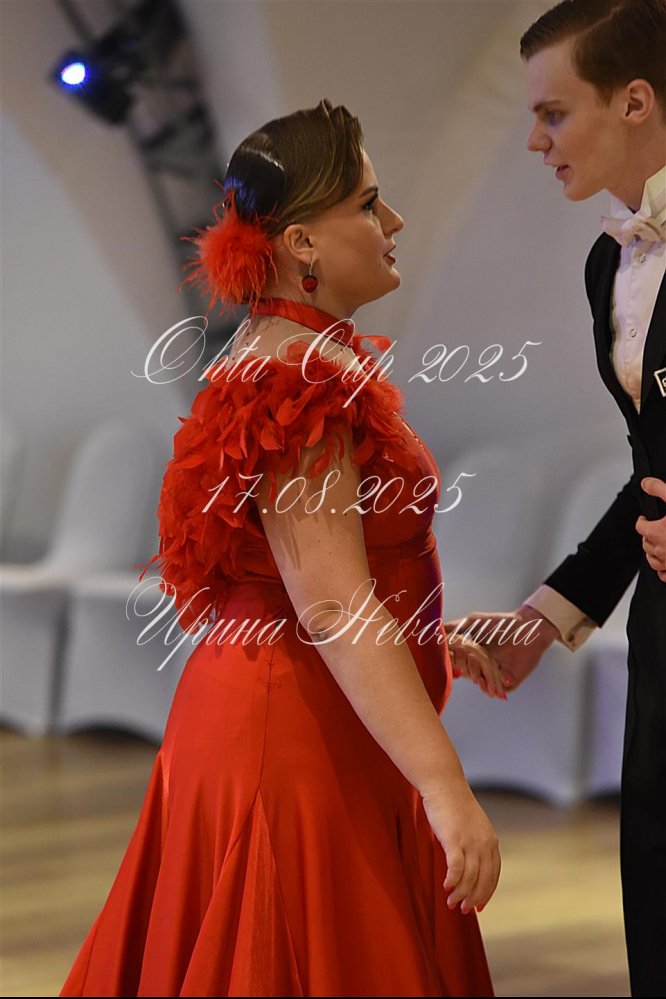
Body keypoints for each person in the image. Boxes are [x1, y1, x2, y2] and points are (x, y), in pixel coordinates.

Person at [59, 98, 500, 998]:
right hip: (294, 737)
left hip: (303, 709)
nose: (394, 222)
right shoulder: (298, 376)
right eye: (368, 204)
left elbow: (307, 579)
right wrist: (446, 785)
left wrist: (421, 633)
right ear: (302, 244)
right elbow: (330, 603)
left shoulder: (295, 353)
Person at [446, 2, 666, 996]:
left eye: (552, 113)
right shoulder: (607, 264)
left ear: (634, 101)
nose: (535, 141)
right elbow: (651, 466)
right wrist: (546, 617)